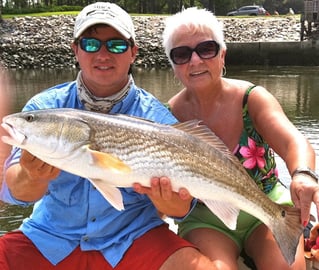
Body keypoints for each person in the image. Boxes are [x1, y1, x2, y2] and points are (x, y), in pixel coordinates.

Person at [0, 3, 215, 269]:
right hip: (50, 238)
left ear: (133, 52)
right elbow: (14, 192)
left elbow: (181, 211)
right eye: (91, 44)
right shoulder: (44, 107)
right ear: (75, 50)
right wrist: (31, 175)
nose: (102, 54)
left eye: (116, 45)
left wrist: (169, 202)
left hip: (134, 237)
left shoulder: (158, 120)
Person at [161, 6, 318, 270]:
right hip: (206, 219)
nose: (195, 61)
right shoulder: (168, 117)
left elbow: (292, 141)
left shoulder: (252, 98)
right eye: (181, 54)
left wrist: (302, 174)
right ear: (173, 64)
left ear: (222, 54)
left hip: (268, 208)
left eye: (206, 49)